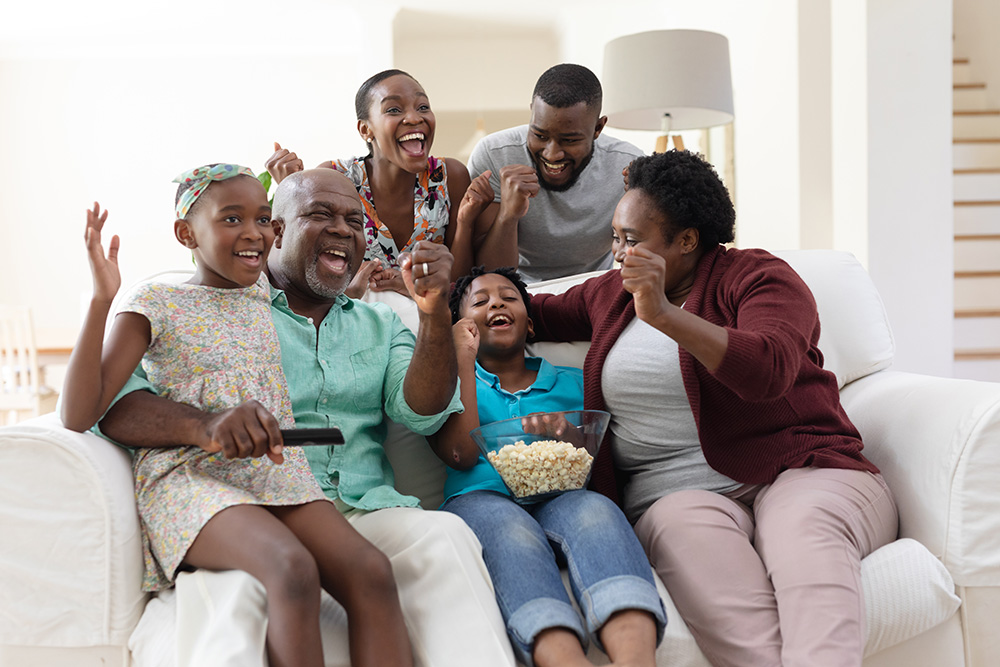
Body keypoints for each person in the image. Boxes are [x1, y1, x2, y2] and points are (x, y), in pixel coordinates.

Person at [96, 168, 515, 667]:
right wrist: (201, 425)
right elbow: (115, 405)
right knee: (239, 602)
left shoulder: (382, 322)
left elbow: (422, 413)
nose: (343, 229)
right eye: (320, 214)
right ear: (277, 231)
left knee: (445, 538)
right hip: (256, 505)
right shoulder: (221, 306)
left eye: (355, 220)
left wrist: (431, 314)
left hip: (364, 510)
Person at [529, 151, 899, 666]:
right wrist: (445, 292)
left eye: (632, 240)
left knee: (801, 531)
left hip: (800, 469)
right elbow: (523, 311)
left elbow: (768, 369)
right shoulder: (611, 295)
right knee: (698, 557)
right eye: (616, 237)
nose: (617, 253)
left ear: (687, 241)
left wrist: (661, 314)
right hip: (678, 496)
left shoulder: (759, 277)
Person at [60, 164, 414, 667]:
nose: (254, 233)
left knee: (372, 571)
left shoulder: (262, 296)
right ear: (187, 233)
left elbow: (320, 290)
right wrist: (101, 300)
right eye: (231, 219)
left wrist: (369, 284)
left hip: (271, 473)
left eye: (263, 219)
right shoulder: (155, 302)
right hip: (190, 477)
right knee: (291, 568)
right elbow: (77, 414)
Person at [433, 266, 665, 667]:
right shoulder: (446, 382)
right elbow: (460, 454)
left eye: (508, 297)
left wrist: (570, 436)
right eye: (480, 300)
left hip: (565, 496)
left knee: (597, 511)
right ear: (461, 325)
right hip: (482, 500)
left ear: (532, 323)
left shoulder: (576, 382)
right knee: (511, 531)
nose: (496, 303)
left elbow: (600, 458)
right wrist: (461, 361)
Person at [265, 69, 474, 297]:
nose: (415, 118)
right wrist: (290, 190)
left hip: (427, 321)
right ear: (366, 130)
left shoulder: (449, 176)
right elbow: (305, 273)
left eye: (423, 107)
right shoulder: (336, 177)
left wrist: (465, 222)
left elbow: (461, 284)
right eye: (393, 109)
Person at [462, 63, 643, 283]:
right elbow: (491, 276)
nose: (552, 154)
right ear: (531, 112)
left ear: (598, 128)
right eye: (539, 135)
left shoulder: (626, 164)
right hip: (519, 295)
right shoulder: (494, 156)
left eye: (570, 140)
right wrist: (508, 215)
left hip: (595, 290)